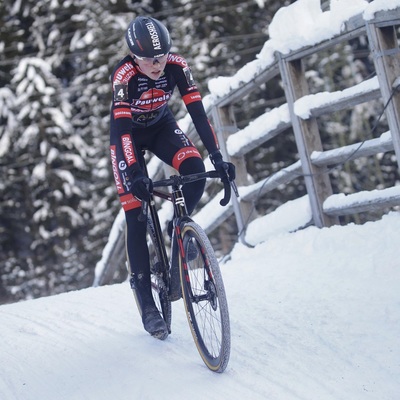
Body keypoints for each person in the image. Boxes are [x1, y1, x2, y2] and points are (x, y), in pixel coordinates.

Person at [109, 16, 235, 340]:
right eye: (150, 59)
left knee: (195, 170)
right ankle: (148, 304)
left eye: (163, 55)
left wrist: (218, 158)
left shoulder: (176, 66)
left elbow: (198, 113)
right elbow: (122, 131)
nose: (158, 63)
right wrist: (135, 172)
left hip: (162, 127)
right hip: (128, 139)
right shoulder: (124, 76)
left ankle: (177, 227)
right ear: (134, 57)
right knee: (135, 213)